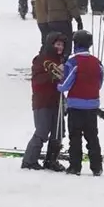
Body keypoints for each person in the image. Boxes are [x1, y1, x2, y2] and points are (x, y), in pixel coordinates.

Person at [56, 30, 104, 176]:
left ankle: (75, 166)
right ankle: (97, 167)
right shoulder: (97, 62)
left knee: (75, 137)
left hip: (76, 105)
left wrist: (58, 86)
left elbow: (66, 84)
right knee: (92, 137)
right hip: (92, 105)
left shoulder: (73, 62)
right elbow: (99, 82)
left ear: (75, 44)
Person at [22, 31, 68, 171]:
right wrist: (54, 75)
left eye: (62, 45)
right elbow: (38, 80)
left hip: (57, 101)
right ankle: (29, 161)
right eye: (57, 44)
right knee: (42, 131)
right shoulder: (40, 60)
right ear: (51, 44)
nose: (60, 48)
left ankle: (51, 160)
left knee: (58, 131)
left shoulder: (61, 61)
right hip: (42, 101)